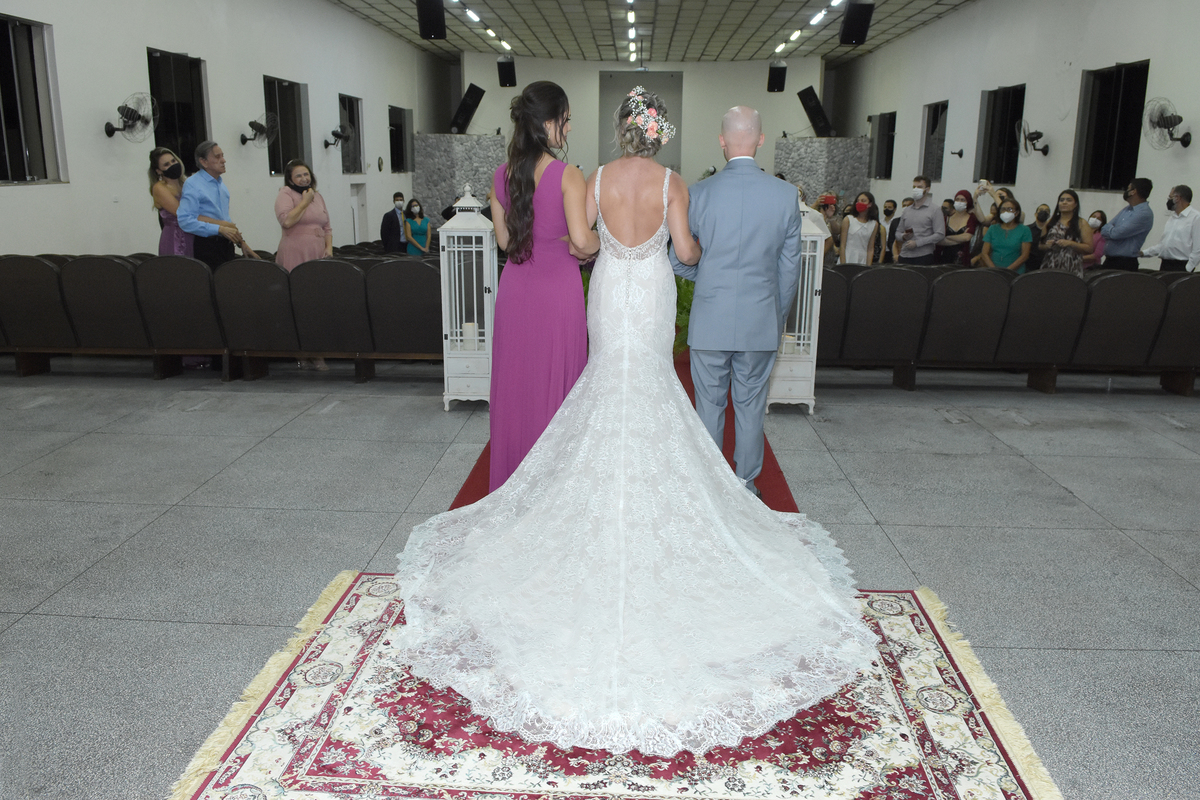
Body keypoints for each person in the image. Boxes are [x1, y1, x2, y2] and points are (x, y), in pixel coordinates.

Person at [387, 92, 876, 758]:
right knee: (651, 387)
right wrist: (690, 245)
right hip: (649, 296)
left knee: (604, 385)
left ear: (623, 134)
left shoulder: (597, 178)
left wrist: (601, 248)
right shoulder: (674, 182)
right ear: (660, 138)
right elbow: (684, 251)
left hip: (611, 292)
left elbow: (578, 240)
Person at [486, 81, 599, 492]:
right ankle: (553, 486)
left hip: (516, 291)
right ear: (548, 123)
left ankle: (513, 482)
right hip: (556, 295)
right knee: (556, 387)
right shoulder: (568, 175)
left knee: (517, 386)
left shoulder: (500, 175)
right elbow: (583, 241)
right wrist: (597, 242)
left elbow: (504, 242)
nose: (568, 130)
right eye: (565, 121)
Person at [177, 140, 256, 268]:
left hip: (226, 244)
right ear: (203, 162)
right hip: (207, 245)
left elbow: (225, 219)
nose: (223, 160)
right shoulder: (193, 184)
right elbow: (185, 220)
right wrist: (219, 228)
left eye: (223, 156)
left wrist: (242, 243)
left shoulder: (221, 185)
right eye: (217, 157)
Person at [274, 159, 332, 272]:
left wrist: (329, 248)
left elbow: (327, 228)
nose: (304, 178)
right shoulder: (286, 193)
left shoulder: (317, 196)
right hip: (295, 251)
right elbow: (287, 222)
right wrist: (305, 202)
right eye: (298, 176)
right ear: (290, 180)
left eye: (306, 174)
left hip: (318, 250)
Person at [148, 147, 196, 257]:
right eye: (166, 165)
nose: (172, 165)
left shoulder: (185, 184)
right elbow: (182, 213)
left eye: (173, 161)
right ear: (159, 171)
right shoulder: (159, 188)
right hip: (175, 239)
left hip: (192, 235)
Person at [1140, 185, 1200, 272]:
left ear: (1177, 198)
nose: (1168, 200)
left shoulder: (1196, 217)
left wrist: (1187, 269)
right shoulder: (1173, 218)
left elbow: (1198, 249)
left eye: (1170, 197)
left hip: (1181, 266)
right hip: (1165, 265)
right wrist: (1143, 253)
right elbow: (1163, 245)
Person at [1101, 177, 1154, 271]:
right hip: (1110, 261)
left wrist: (1112, 230)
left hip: (1124, 263)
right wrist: (1112, 230)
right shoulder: (1127, 209)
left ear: (1133, 191)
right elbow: (1104, 229)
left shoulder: (1143, 213)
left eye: (1128, 188)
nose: (1125, 191)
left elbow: (1117, 233)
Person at [1038, 189, 1093, 276]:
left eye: (1069, 200)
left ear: (1075, 204)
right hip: (1050, 265)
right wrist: (1047, 246)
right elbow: (1040, 245)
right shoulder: (1050, 222)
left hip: (1072, 267)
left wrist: (1071, 243)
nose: (1064, 202)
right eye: (1061, 200)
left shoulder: (1082, 223)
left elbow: (1089, 248)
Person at [896, 175, 945, 265]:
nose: (916, 189)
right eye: (914, 187)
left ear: (927, 189)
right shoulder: (907, 210)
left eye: (919, 187)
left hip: (923, 255)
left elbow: (940, 234)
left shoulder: (935, 210)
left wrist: (918, 243)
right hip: (904, 255)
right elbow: (898, 233)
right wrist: (903, 236)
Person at [980, 197, 1032, 272]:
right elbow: (984, 253)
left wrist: (1007, 271)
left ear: (1016, 213)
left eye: (1010, 209)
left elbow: (1025, 256)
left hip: (1015, 272)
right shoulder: (992, 228)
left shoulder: (1024, 230)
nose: (1005, 212)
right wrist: (994, 270)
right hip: (993, 271)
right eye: (1003, 209)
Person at [938, 189, 978, 266]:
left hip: (962, 259)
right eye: (957, 199)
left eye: (963, 200)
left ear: (968, 202)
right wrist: (960, 238)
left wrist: (947, 237)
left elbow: (967, 238)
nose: (959, 202)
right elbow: (939, 240)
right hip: (945, 258)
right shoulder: (946, 219)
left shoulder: (971, 219)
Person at [839, 191, 879, 265]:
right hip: (848, 256)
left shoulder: (874, 224)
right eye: (858, 201)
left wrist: (868, 266)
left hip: (862, 258)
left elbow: (870, 248)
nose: (859, 203)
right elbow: (842, 245)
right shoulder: (848, 219)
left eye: (863, 201)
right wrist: (843, 264)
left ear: (870, 204)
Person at [1025, 203, 1052, 272]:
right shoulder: (1027, 229)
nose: (1043, 212)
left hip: (1047, 266)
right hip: (1029, 266)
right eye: (1041, 210)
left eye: (1046, 211)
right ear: (1035, 214)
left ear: (1049, 215)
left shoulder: (1053, 231)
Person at [889, 196, 913, 262]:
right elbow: (891, 240)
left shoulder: (918, 221)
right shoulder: (895, 221)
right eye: (904, 205)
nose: (906, 207)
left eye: (908, 205)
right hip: (897, 255)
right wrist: (895, 254)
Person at [878, 198, 897, 263]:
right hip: (880, 251)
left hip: (891, 251)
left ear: (894, 209)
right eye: (885, 207)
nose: (887, 209)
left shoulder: (896, 222)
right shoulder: (879, 222)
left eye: (889, 207)